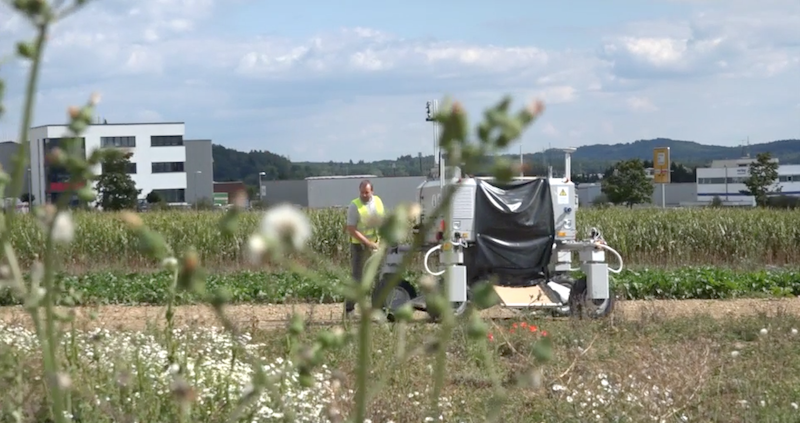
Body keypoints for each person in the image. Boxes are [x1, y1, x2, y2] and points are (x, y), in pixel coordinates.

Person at [344, 179, 385, 314]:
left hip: (376, 245)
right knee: (357, 279)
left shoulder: (378, 202)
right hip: (359, 247)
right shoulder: (354, 206)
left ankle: (377, 308)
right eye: (362, 192)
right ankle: (349, 309)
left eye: (366, 192)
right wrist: (368, 243)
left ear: (372, 191)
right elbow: (351, 228)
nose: (364, 195)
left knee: (379, 276)